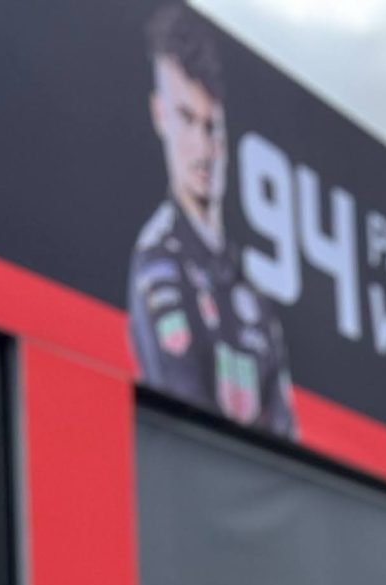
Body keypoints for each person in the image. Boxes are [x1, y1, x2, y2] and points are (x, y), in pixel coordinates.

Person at [127, 5, 296, 434]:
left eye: (212, 126)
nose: (203, 148)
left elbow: (286, 438)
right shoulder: (159, 267)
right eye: (187, 120)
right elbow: (185, 425)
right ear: (159, 114)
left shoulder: (250, 293)